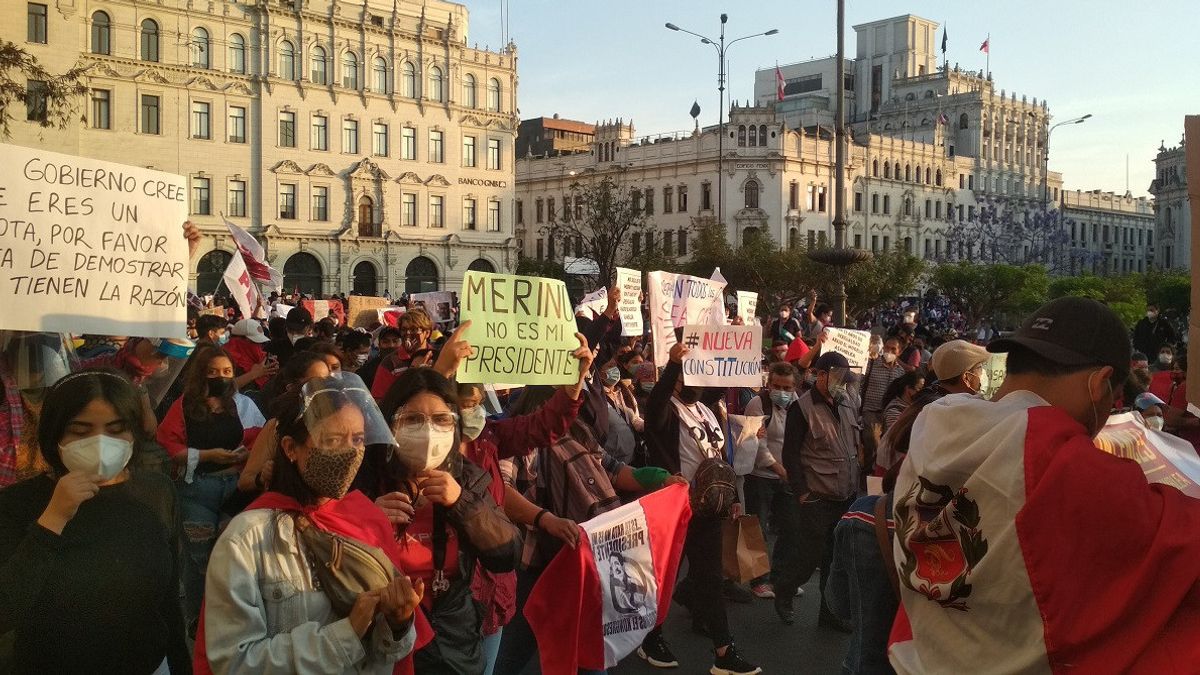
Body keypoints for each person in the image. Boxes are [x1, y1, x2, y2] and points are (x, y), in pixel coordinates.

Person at [890, 296, 1200, 673]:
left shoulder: (934, 423)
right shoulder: (1058, 459)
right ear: (1099, 385)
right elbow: (1186, 541)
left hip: (926, 654)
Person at [198, 375, 423, 674]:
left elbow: (386, 656)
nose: (349, 452)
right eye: (331, 440)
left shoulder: (366, 519)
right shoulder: (247, 539)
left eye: (357, 439)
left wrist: (397, 624)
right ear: (291, 448)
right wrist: (345, 634)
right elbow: (235, 663)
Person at [0, 370, 189, 674]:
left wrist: (181, 666)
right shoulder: (18, 503)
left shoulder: (155, 492)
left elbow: (167, 601)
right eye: (80, 430)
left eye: (116, 429)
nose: (101, 444)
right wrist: (52, 520)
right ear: (55, 434)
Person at [372, 368, 522, 673]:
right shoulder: (368, 479)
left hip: (453, 643)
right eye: (412, 419)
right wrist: (367, 522)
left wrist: (463, 504)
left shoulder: (467, 478)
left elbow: (507, 554)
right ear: (391, 424)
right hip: (381, 642)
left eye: (441, 419)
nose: (427, 432)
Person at [640, 341, 761, 675]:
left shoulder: (706, 410)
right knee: (662, 577)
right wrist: (673, 365)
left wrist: (732, 498)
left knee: (709, 579)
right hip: (675, 507)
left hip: (707, 509)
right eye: (688, 375)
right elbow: (656, 407)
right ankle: (650, 638)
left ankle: (724, 652)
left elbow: (717, 457)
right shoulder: (665, 409)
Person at [157, 345, 266, 630]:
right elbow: (169, 446)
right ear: (200, 375)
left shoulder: (243, 405)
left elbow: (261, 440)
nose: (221, 377)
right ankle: (199, 619)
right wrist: (207, 456)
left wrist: (243, 457)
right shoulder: (183, 406)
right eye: (213, 372)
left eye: (227, 372)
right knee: (200, 558)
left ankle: (227, 616)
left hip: (235, 490)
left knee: (232, 554)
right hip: (197, 491)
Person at [776, 351, 861, 630]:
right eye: (835, 376)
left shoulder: (848, 403)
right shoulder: (801, 408)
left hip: (845, 496)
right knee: (808, 557)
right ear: (820, 375)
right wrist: (801, 492)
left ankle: (830, 613)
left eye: (844, 377)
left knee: (836, 560)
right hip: (816, 496)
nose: (841, 382)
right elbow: (790, 455)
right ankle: (785, 590)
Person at [741, 362, 795, 600]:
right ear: (768, 384)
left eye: (787, 387)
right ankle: (758, 580)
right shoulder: (758, 404)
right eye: (777, 386)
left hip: (787, 475)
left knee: (789, 527)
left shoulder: (798, 403)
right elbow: (758, 444)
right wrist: (779, 468)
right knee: (757, 529)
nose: (782, 392)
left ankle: (781, 578)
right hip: (761, 475)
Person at [859, 337, 909, 472]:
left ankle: (879, 474)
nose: (889, 351)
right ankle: (868, 473)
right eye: (887, 347)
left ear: (899, 352)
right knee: (872, 444)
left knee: (886, 447)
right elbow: (861, 384)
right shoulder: (871, 365)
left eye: (893, 349)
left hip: (889, 415)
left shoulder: (900, 372)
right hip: (871, 411)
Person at [359, 326, 401, 391]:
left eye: (395, 341)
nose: (391, 345)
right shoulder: (367, 370)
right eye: (386, 342)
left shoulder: (409, 365)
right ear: (379, 345)